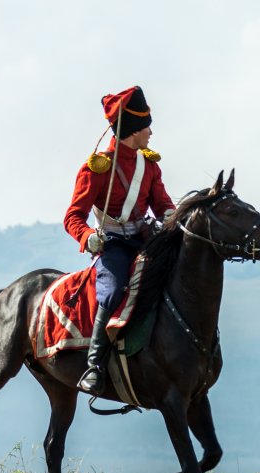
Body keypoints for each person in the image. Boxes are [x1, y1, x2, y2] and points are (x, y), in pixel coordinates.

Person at [64, 86, 176, 395]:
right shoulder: (97, 167)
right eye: (146, 127)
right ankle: (94, 365)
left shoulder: (149, 166)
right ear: (133, 131)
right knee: (112, 292)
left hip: (145, 240)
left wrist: (172, 217)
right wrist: (88, 237)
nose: (151, 132)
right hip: (112, 244)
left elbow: (163, 205)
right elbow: (73, 216)